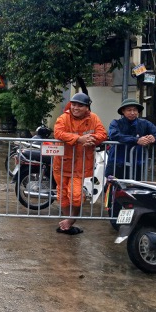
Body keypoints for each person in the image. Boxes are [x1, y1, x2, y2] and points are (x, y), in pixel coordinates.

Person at [53, 92, 107, 235]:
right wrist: (79, 139)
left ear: (86, 107)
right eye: (74, 104)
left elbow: (103, 134)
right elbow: (58, 133)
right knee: (62, 194)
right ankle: (68, 221)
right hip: (62, 163)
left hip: (81, 164)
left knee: (76, 196)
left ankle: (70, 220)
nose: (76, 108)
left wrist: (92, 139)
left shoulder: (93, 118)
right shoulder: (63, 118)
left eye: (80, 105)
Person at [105, 98, 156, 218]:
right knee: (115, 192)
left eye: (135, 110)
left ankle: (134, 217)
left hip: (137, 164)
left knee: (136, 192)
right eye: (129, 110)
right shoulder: (116, 123)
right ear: (123, 111)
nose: (132, 112)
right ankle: (114, 217)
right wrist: (136, 140)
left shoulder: (144, 124)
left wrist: (154, 138)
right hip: (117, 163)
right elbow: (114, 135)